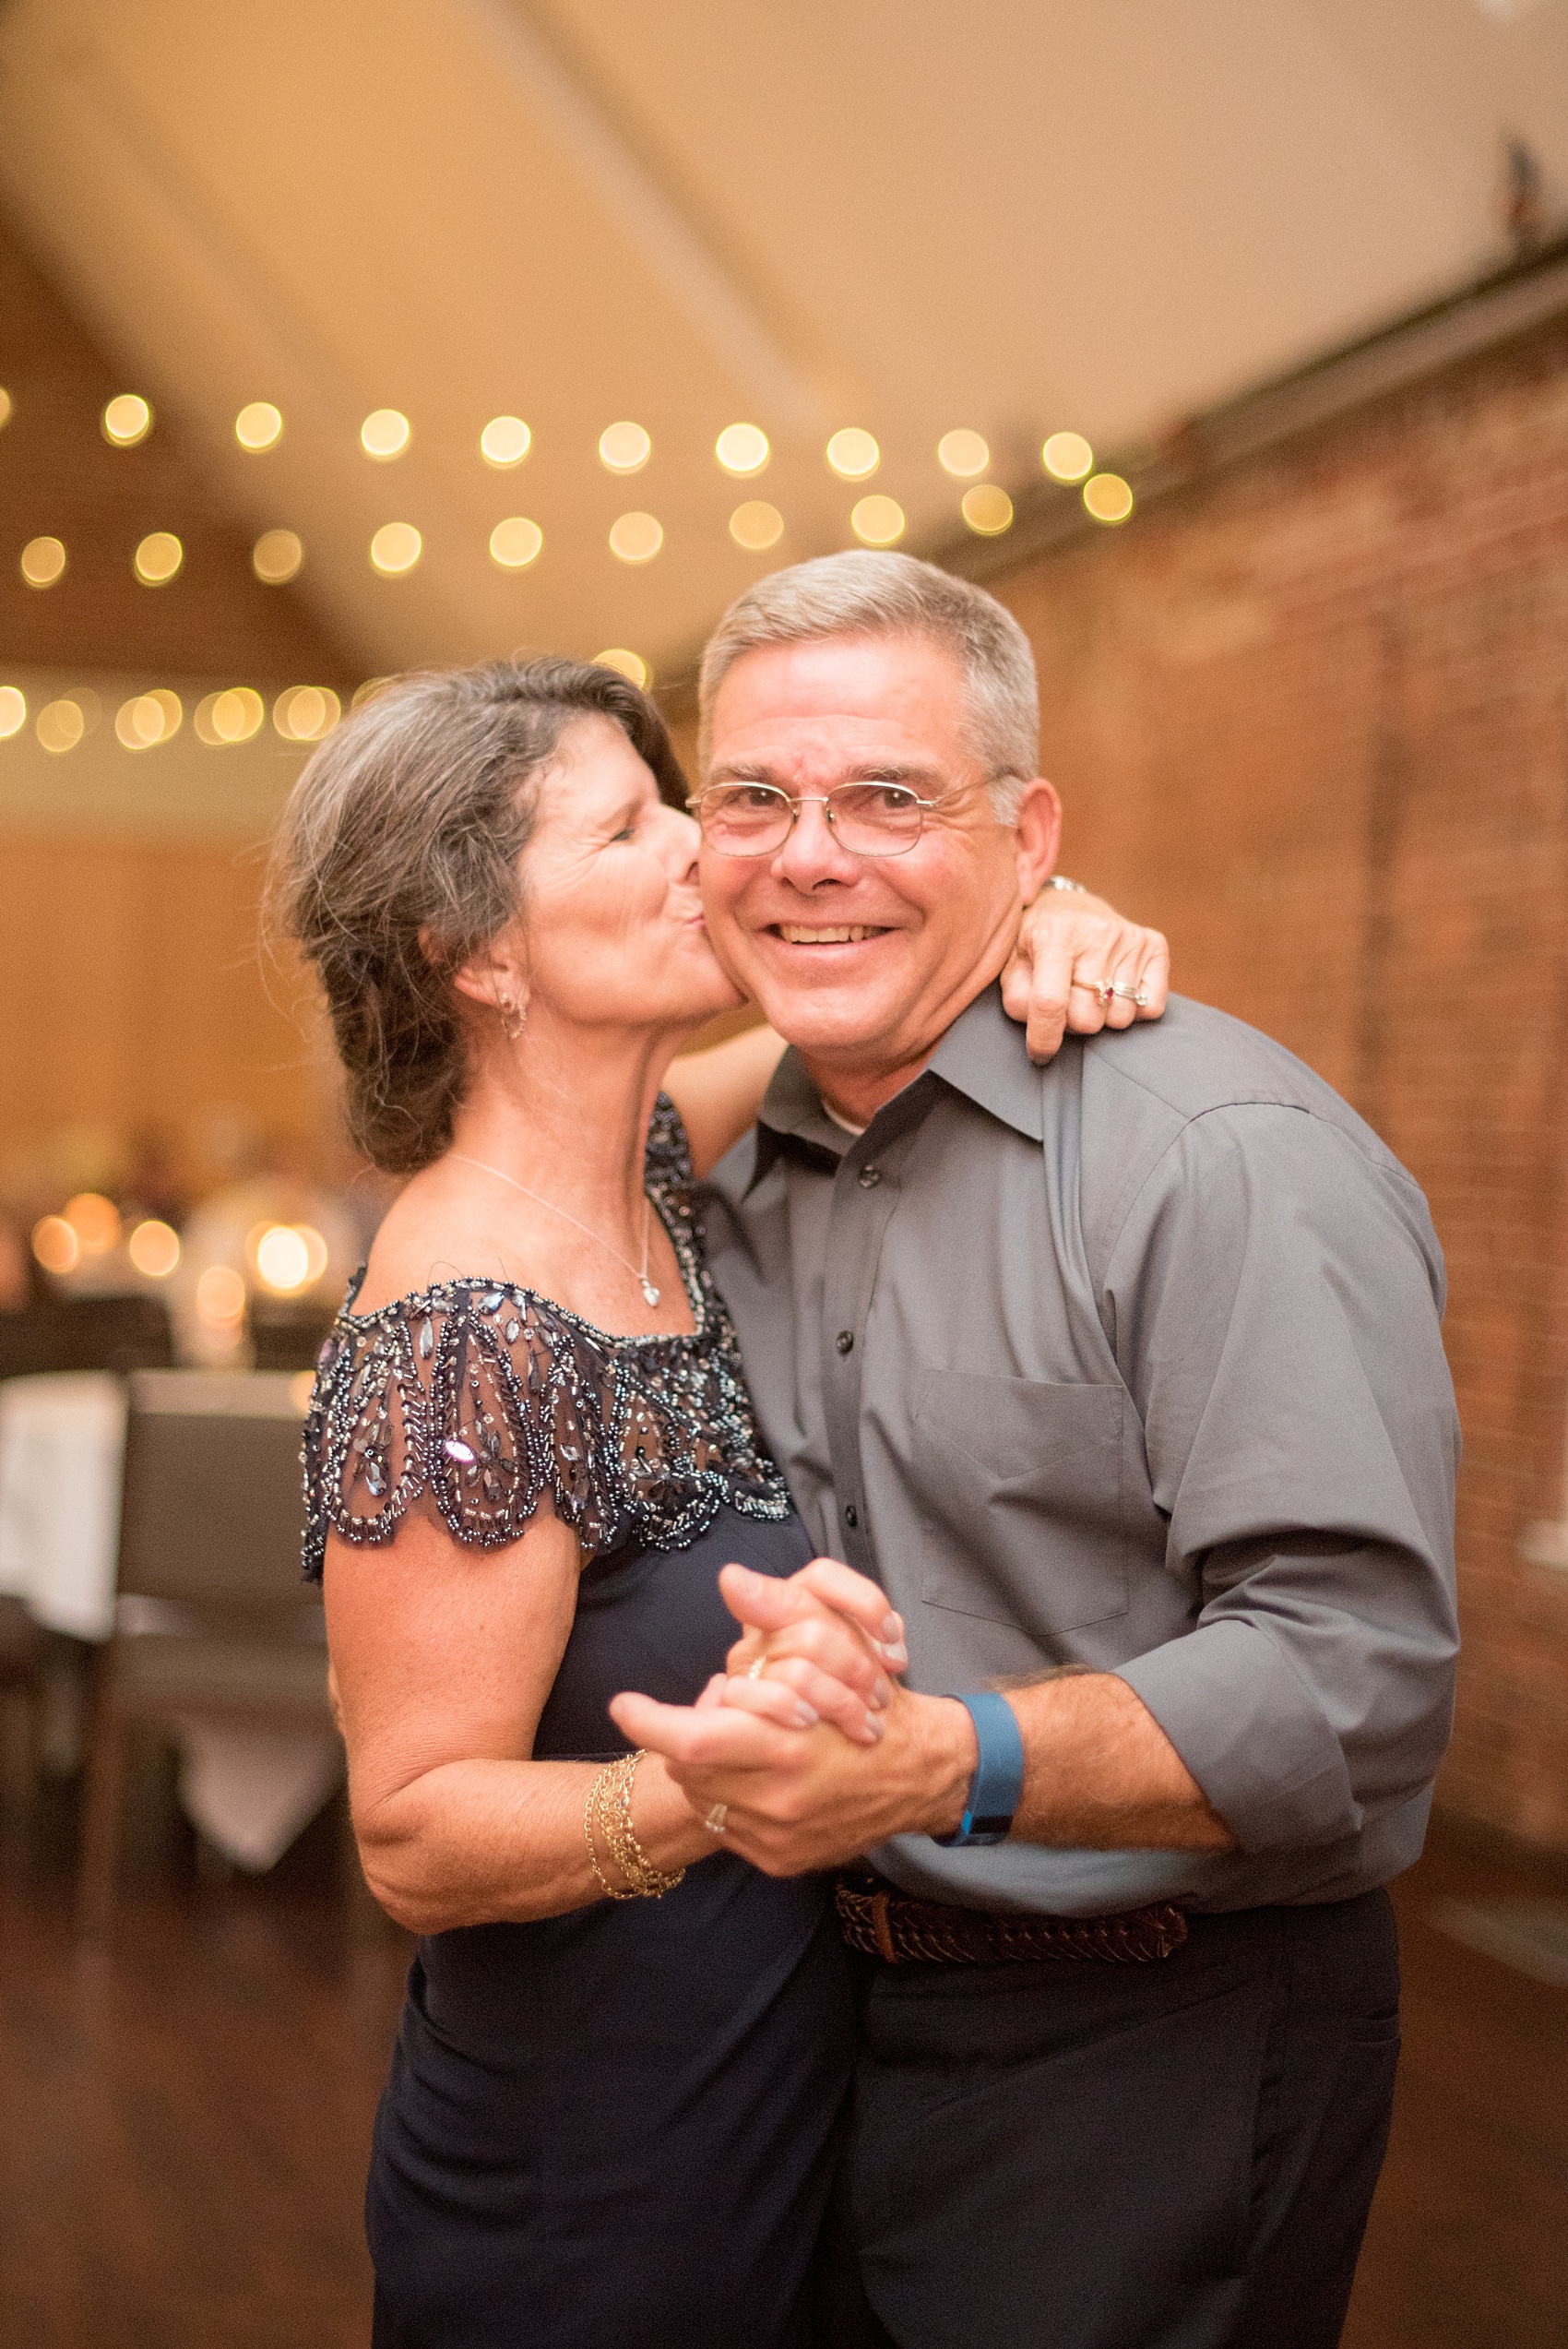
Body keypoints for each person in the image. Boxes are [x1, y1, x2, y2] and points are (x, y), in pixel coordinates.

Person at [613, 551, 1462, 2349]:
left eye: (888, 798)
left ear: (1030, 831)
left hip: (1155, 2035)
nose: (809, 849)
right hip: (806, 2033)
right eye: (754, 796)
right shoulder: (718, 1172)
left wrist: (943, 1761)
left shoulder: (1212, 1153)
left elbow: (1356, 1681)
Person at [272, 653, 1167, 2349]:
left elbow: (881, 993)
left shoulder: (655, 1157)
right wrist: (710, 1790)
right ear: (474, 951)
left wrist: (1048, 915)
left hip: (781, 2088)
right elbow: (410, 1830)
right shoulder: (469, 1323)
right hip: (596, 2154)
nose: (704, 847)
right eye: (626, 829)